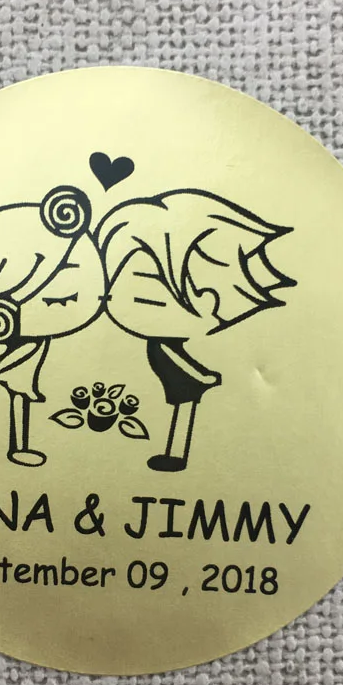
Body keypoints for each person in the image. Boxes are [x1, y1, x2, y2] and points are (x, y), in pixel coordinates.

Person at [97, 188, 295, 472]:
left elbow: (183, 365)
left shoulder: (164, 344)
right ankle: (174, 453)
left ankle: (175, 455)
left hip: (188, 385)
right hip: (185, 382)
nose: (116, 294)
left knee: (182, 412)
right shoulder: (158, 343)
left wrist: (202, 377)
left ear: (207, 299)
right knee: (179, 411)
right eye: (118, 278)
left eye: (147, 280)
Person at [0, 186, 104, 467]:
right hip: (18, 346)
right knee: (20, 389)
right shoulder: (29, 333)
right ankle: (19, 446)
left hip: (21, 343)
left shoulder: (36, 337)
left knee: (21, 389)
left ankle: (19, 442)